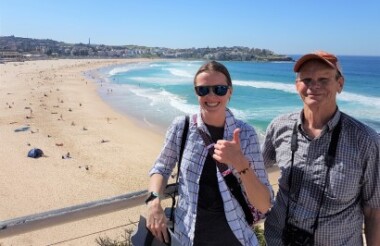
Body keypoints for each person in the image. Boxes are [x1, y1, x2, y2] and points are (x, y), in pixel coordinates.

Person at [147, 61, 273, 245]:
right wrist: (153, 202)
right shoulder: (181, 127)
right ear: (196, 93)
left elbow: (263, 204)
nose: (211, 96)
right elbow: (161, 167)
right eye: (203, 90)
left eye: (219, 89)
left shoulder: (246, 134)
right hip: (187, 236)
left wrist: (240, 163)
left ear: (230, 92)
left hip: (235, 238)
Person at [263, 51, 380, 245]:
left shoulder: (365, 140)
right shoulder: (279, 127)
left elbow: (374, 211)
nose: (314, 86)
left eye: (324, 79)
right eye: (306, 79)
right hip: (279, 240)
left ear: (340, 84)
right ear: (296, 85)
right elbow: (255, 172)